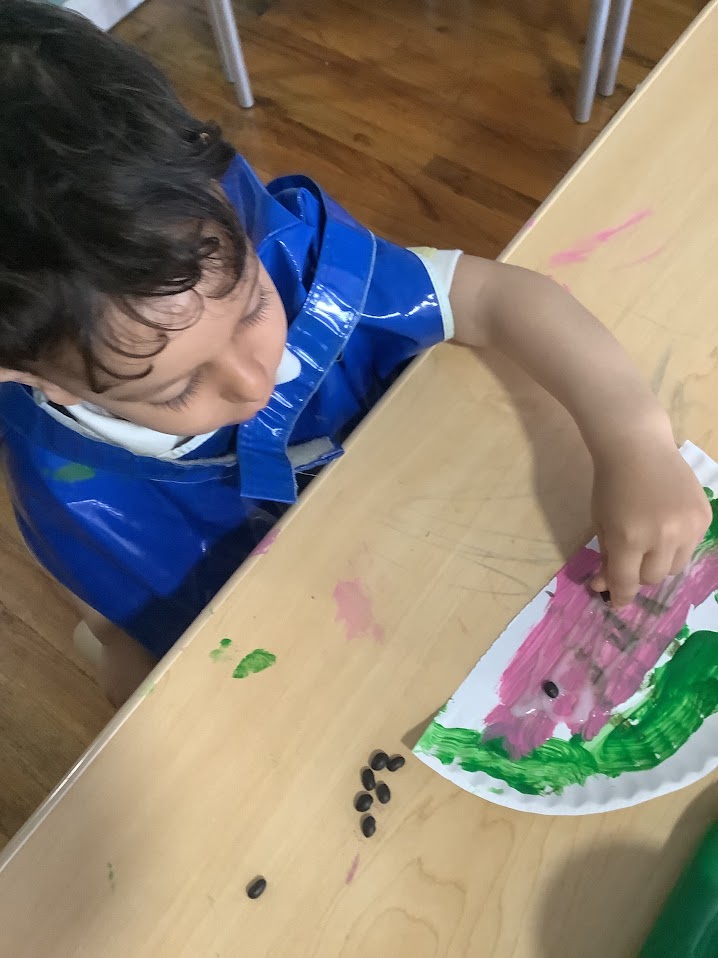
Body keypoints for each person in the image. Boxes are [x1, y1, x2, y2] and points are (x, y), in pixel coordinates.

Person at [0, 0, 710, 707]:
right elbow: (136, 653)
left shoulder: (283, 254)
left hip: (455, 523)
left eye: (251, 304)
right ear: (33, 379)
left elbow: (495, 297)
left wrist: (636, 444)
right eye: (175, 390)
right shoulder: (80, 502)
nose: (257, 379)